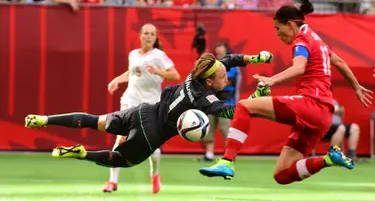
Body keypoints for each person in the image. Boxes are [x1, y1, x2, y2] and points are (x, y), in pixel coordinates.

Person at [199, 0, 373, 185]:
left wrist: (271, 80)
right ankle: (328, 159)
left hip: (311, 105)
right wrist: (356, 86)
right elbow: (339, 61)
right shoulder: (317, 39)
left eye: (278, 28)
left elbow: (299, 68)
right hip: (322, 116)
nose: (277, 34)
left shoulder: (302, 40)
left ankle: (227, 161)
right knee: (282, 175)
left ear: (290, 25)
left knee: (244, 106)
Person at [24, 52, 274, 181]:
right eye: (222, 77)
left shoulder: (193, 75)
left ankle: (45, 119)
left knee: (96, 120)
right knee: (125, 161)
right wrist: (259, 95)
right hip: (152, 134)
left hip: (143, 110)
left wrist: (253, 59)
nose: (226, 78)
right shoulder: (205, 98)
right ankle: (83, 153)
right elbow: (231, 111)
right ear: (209, 81)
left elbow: (227, 61)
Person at [104, 23, 181, 193]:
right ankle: (112, 181)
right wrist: (117, 80)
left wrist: (158, 71)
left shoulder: (159, 55)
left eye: (152, 34)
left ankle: (155, 174)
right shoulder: (133, 54)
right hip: (130, 100)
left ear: (155, 38)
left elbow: (176, 75)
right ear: (140, 36)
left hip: (150, 105)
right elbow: (132, 73)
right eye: (146, 33)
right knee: (120, 138)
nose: (148, 36)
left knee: (151, 145)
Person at [201, 43, 243, 161]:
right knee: (209, 127)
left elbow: (225, 82)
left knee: (226, 130)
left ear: (226, 52)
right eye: (217, 53)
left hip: (226, 103)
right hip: (211, 102)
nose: (218, 54)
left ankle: (229, 155)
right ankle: (209, 154)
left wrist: (213, 80)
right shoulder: (212, 66)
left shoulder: (233, 67)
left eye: (221, 52)